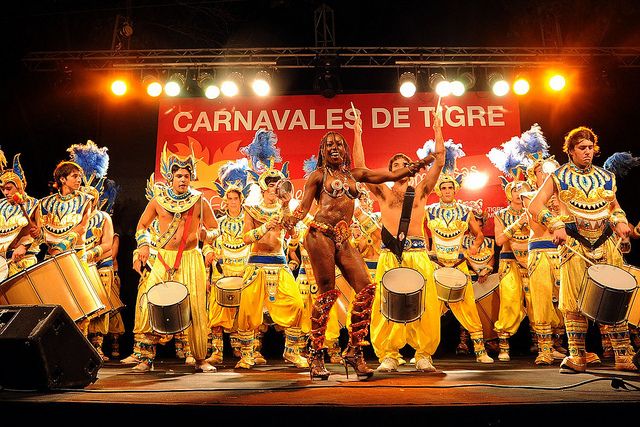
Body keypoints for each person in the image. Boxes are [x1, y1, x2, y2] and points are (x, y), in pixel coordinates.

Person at [282, 127, 429, 380]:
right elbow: (304, 206)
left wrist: (417, 166)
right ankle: (316, 354)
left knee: (366, 289)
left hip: (343, 237)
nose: (335, 147)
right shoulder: (317, 176)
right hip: (320, 235)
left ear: (346, 150)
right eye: (329, 145)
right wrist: (290, 218)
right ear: (322, 151)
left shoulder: (355, 174)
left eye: (339, 144)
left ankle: (354, 351)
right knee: (327, 293)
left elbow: (389, 174)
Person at [528, 126, 637, 373]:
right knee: (574, 302)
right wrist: (555, 224)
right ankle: (578, 357)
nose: (587, 152)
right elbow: (534, 207)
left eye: (590, 148)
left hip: (607, 242)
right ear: (571, 151)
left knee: (615, 298)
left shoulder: (606, 176)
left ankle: (622, 356)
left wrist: (620, 221)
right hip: (575, 242)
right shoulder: (557, 176)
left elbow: (614, 206)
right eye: (582, 148)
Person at [352, 111, 445, 373]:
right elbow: (361, 171)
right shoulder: (383, 192)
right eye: (394, 166)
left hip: (418, 255)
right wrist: (357, 133)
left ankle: (424, 354)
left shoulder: (422, 191)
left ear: (412, 168)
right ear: (390, 171)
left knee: (424, 304)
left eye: (404, 164)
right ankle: (388, 354)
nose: (399, 168)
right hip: (389, 256)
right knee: (384, 304)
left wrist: (438, 129)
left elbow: (439, 161)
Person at [133, 143, 219, 373]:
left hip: (191, 258)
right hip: (163, 257)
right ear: (170, 177)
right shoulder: (158, 200)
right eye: (179, 175)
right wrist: (143, 244)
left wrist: (206, 235)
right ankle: (145, 357)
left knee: (197, 308)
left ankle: (200, 358)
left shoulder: (200, 200)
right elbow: (141, 226)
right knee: (149, 304)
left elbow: (215, 228)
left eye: (187, 175)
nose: (183, 179)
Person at [425, 162, 495, 364]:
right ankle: (425, 353)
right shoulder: (429, 210)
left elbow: (479, 235)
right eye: (444, 187)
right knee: (431, 310)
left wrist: (472, 249)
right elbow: (422, 234)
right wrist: (427, 249)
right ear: (438, 190)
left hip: (459, 265)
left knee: (469, 307)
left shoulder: (465, 211)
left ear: (456, 189)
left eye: (450, 187)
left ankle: (480, 351)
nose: (447, 191)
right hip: (436, 265)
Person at [32, 160, 94, 335]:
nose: (79, 180)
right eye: (75, 176)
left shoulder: (85, 200)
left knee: (79, 301)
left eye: (80, 176)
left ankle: (79, 343)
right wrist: (38, 234)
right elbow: (42, 233)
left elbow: (82, 227)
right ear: (62, 179)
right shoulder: (44, 203)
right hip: (51, 256)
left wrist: (62, 245)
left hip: (74, 255)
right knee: (50, 299)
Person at [207, 160, 252, 365]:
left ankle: (243, 351)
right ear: (225, 200)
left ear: (241, 200)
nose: (232, 201)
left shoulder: (249, 221)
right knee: (217, 311)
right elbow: (209, 241)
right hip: (222, 271)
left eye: (235, 198)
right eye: (229, 198)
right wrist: (208, 250)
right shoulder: (220, 222)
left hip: (243, 271)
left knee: (242, 313)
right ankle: (217, 352)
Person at [0, 150, 39, 276]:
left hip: (24, 260)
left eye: (9, 189)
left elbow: (41, 234)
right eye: (3, 189)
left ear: (19, 187)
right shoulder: (1, 205)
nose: (6, 193)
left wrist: (24, 245)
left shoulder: (34, 204)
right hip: (2, 262)